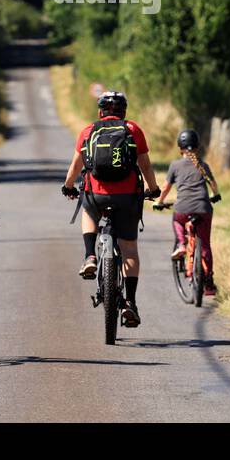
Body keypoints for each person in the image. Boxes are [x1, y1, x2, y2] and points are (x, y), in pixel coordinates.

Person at [60, 90, 160, 328]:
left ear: (100, 111)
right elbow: (144, 164)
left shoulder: (88, 131)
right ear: (124, 111)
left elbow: (77, 165)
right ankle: (131, 303)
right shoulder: (133, 130)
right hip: (127, 197)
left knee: (87, 210)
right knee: (130, 251)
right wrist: (153, 189)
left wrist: (67, 186)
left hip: (96, 194)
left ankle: (90, 255)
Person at [153, 128, 221, 297]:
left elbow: (166, 188)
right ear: (197, 146)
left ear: (180, 147)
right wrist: (215, 196)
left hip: (183, 208)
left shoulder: (175, 165)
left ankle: (182, 243)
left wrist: (159, 202)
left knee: (177, 221)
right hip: (204, 209)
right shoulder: (202, 164)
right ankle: (209, 283)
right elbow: (213, 185)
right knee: (205, 244)